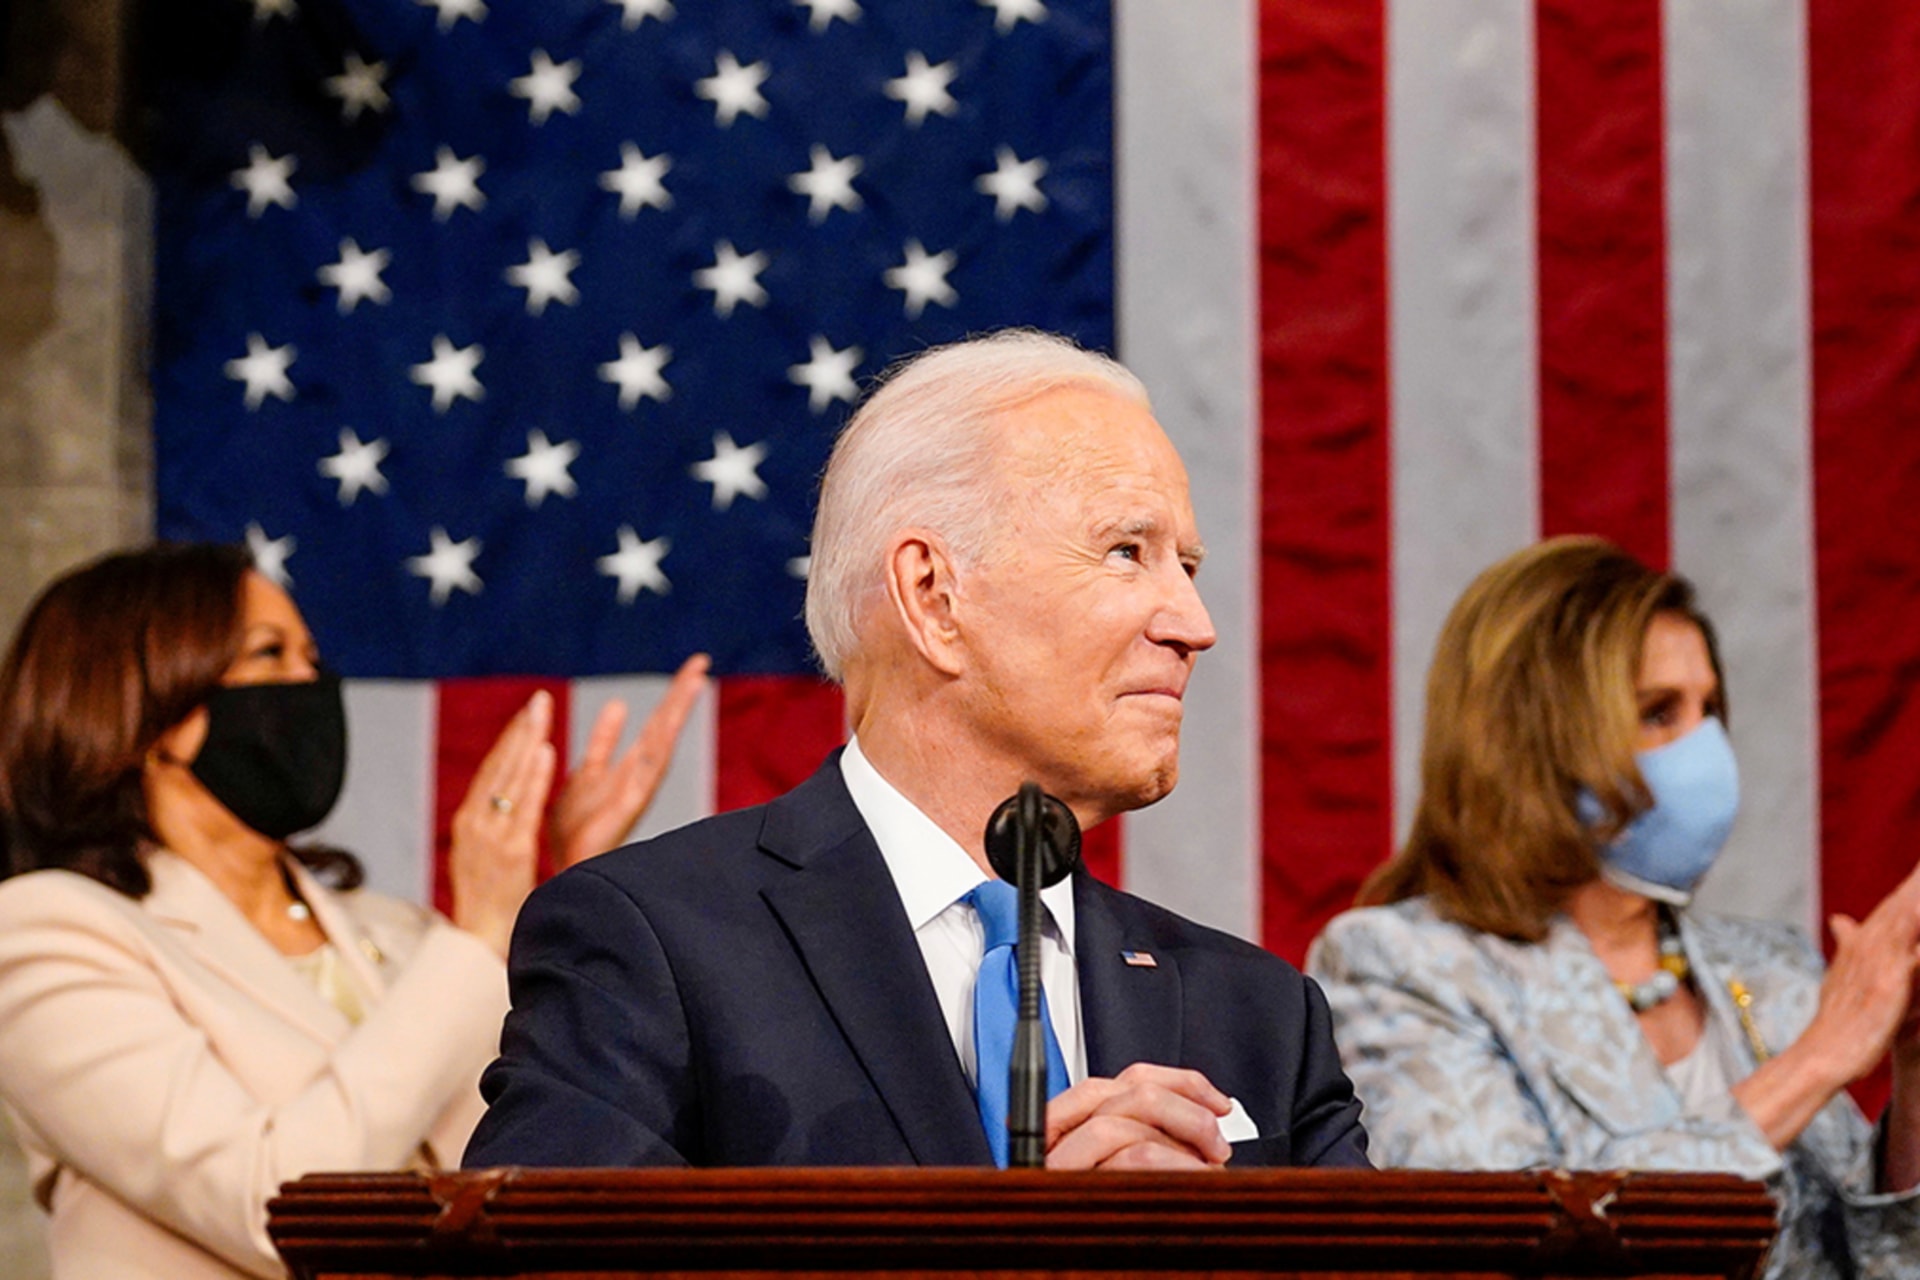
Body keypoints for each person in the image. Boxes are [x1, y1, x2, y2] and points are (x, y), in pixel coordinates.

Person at [463, 329, 1369, 1172]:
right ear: (932, 595)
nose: (1193, 625)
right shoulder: (655, 948)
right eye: (1128, 551)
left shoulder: (1261, 1017)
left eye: (1189, 567)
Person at [0, 543, 708, 1280]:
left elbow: (550, 1152)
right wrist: (481, 930)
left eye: (312, 658)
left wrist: (565, 888)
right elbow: (279, 1209)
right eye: (269, 655)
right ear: (143, 708)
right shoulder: (43, 935)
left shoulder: (402, 936)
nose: (309, 684)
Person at [1307, 537, 1920, 1279]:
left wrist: (1913, 1074)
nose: (1709, 751)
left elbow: (1867, 1262)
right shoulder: (1401, 966)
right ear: (1533, 739)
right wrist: (1819, 1059)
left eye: (1710, 711)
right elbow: (1509, 1246)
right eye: (1660, 713)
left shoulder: (1769, 966)